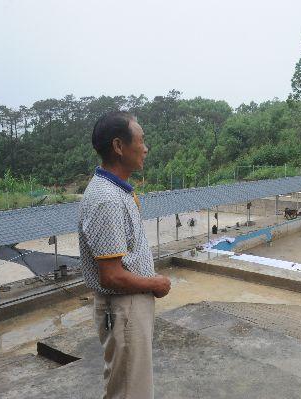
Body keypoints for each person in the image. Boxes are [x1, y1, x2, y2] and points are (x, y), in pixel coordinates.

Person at [78, 111, 171, 399]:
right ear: (119, 147)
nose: (145, 148)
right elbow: (112, 275)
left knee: (128, 385)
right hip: (124, 309)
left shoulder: (114, 191)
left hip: (127, 308)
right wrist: (155, 283)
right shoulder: (107, 199)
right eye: (141, 141)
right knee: (132, 391)